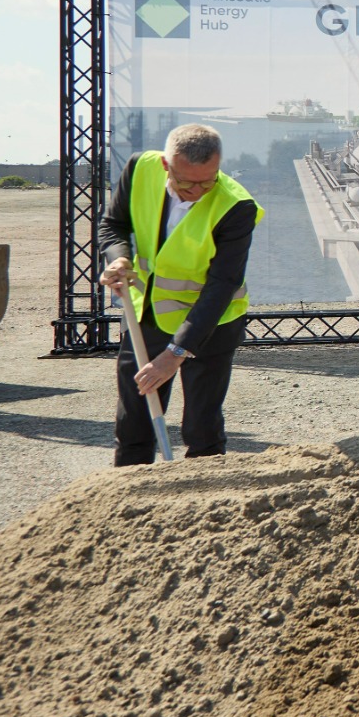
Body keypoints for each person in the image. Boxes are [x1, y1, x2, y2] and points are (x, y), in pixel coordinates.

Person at [97, 123, 264, 465]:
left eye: (208, 180)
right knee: (134, 423)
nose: (199, 191)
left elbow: (222, 285)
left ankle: (202, 502)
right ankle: (130, 498)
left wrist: (176, 353)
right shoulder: (140, 168)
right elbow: (113, 225)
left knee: (202, 427)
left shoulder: (237, 206)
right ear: (165, 166)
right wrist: (119, 259)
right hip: (148, 318)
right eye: (187, 182)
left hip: (212, 325)